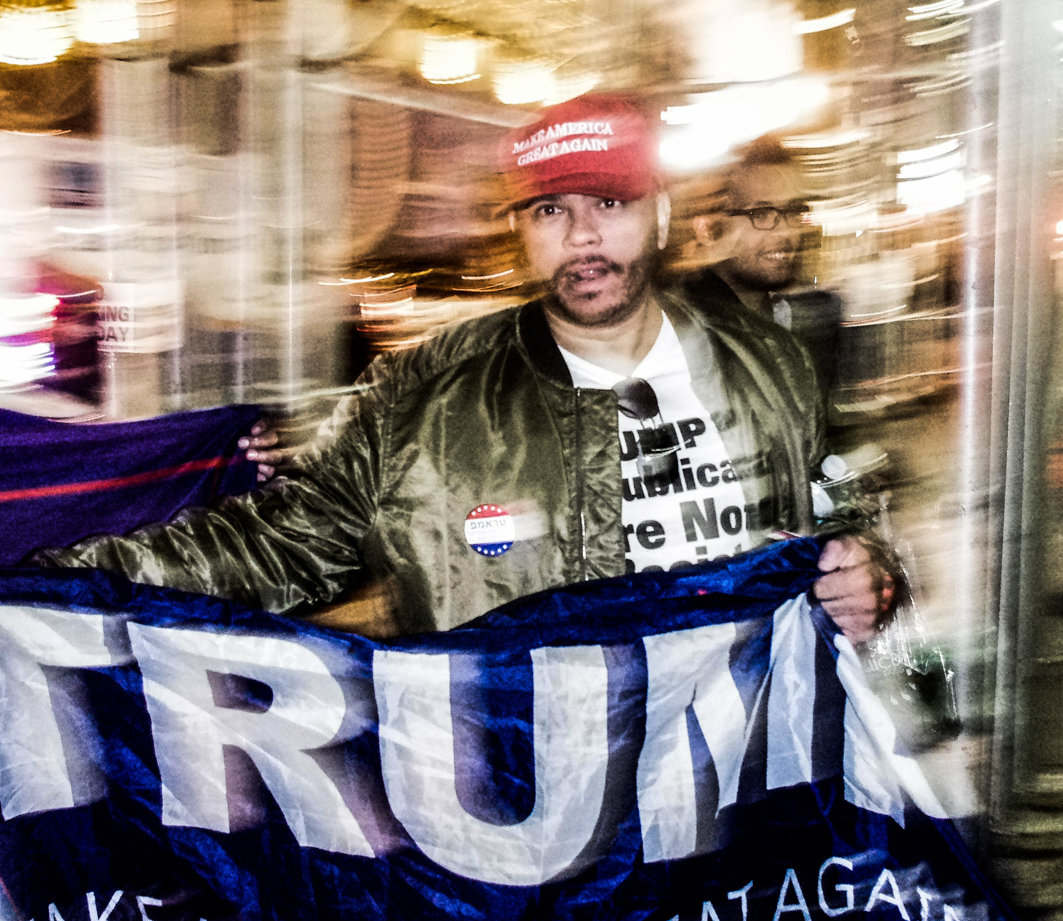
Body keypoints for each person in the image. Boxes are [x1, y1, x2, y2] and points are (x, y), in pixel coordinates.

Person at [33, 95, 887, 645]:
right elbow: (273, 542)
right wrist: (49, 586)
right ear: (520, 231)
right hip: (525, 800)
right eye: (549, 210)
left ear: (659, 216)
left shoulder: (768, 367)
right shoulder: (423, 395)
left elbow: (839, 515)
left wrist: (870, 573)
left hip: (729, 792)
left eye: (609, 204)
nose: (582, 236)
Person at [683, 135, 844, 399]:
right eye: (760, 214)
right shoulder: (690, 334)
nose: (785, 232)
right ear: (710, 228)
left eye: (793, 212)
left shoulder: (799, 321)